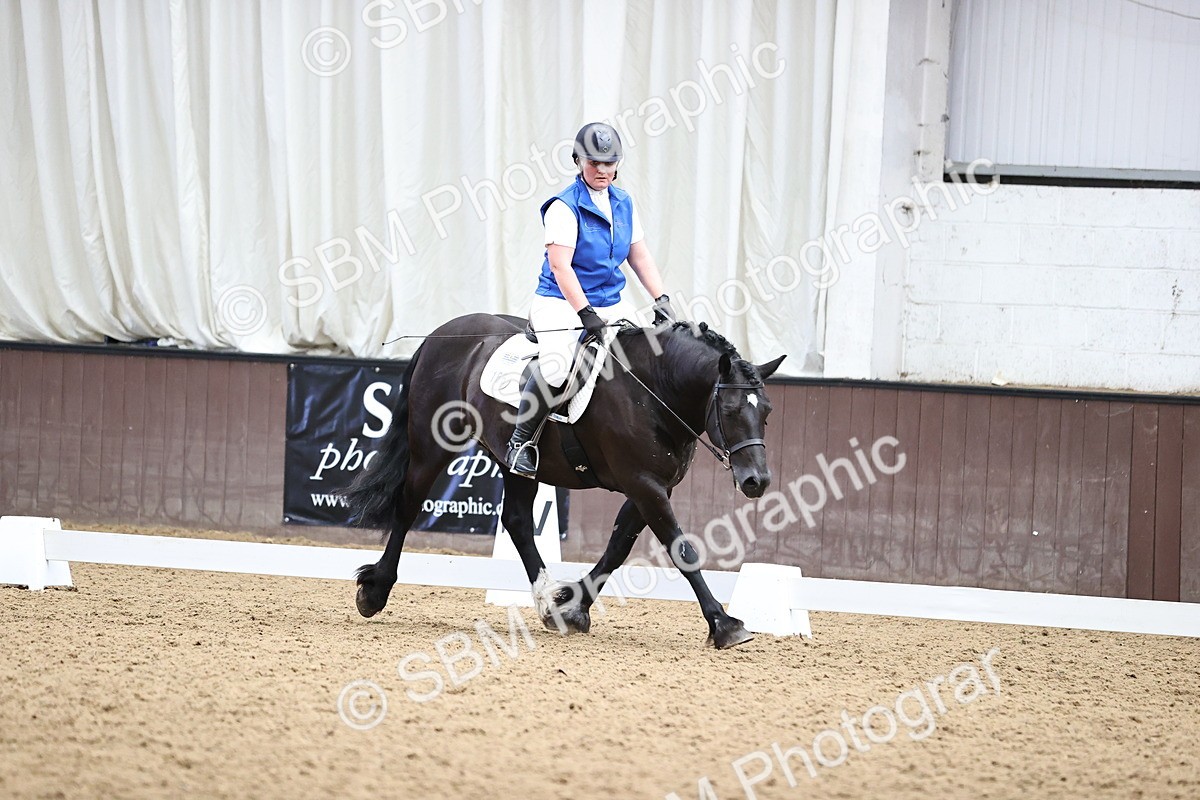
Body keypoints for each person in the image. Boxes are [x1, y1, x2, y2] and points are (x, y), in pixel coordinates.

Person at [505, 121, 676, 478]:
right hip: (561, 302)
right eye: (594, 163)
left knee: (651, 350)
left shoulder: (624, 203)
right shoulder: (564, 207)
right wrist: (584, 312)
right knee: (558, 365)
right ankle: (521, 441)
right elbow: (561, 266)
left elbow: (638, 255)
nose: (602, 170)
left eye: (609, 163)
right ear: (578, 161)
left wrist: (661, 298)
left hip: (610, 302)